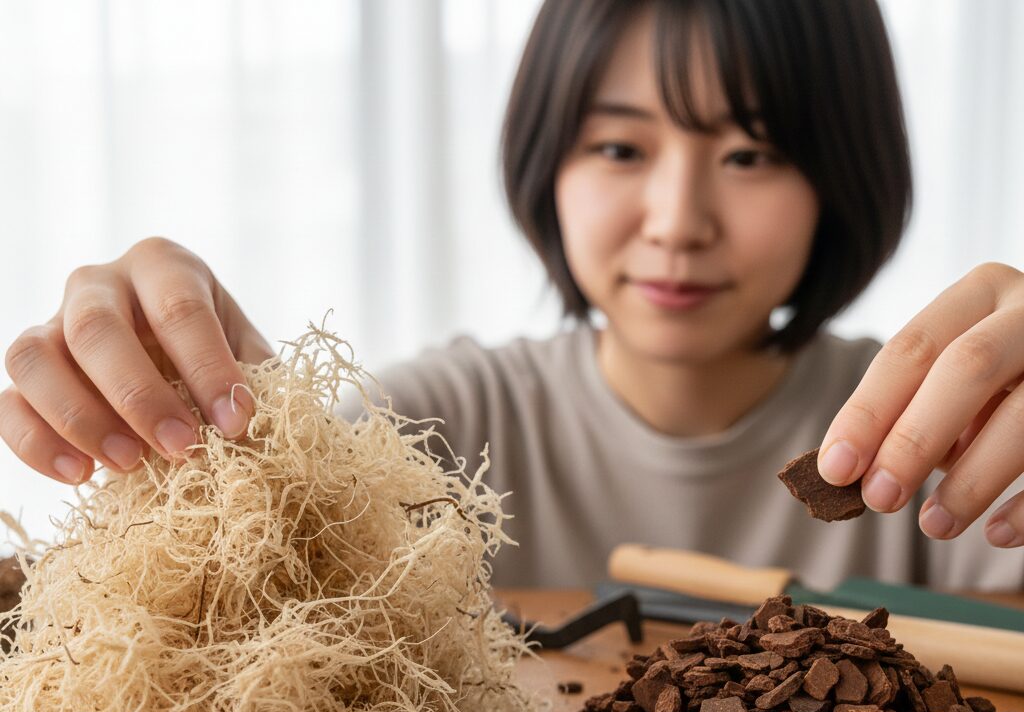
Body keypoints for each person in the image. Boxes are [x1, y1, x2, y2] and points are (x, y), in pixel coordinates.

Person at [2, 0, 1023, 593]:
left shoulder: (954, 438)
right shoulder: (444, 424)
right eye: (620, 146)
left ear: (842, 178)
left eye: (751, 152)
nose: (676, 219)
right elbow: (270, 532)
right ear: (546, 163)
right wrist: (206, 430)